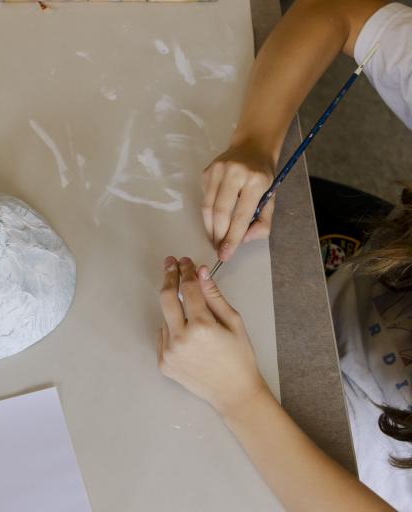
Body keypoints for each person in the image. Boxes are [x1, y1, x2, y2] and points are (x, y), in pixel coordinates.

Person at [157, 0, 412, 509]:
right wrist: (256, 140)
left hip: (334, 476)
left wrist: (240, 399)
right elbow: (338, 11)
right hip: (360, 275)